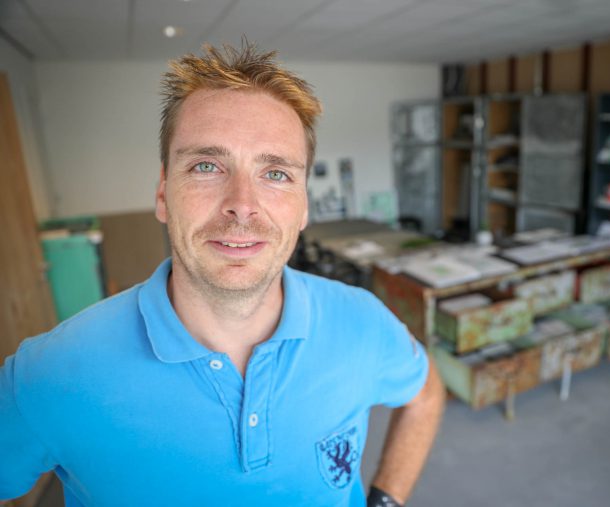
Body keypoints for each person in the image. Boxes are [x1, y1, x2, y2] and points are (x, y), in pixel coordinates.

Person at [0, 41, 445, 507]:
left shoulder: (363, 320)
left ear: (303, 207)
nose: (242, 205)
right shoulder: (52, 374)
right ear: (163, 194)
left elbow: (426, 394)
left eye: (276, 173)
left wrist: (385, 501)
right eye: (207, 166)